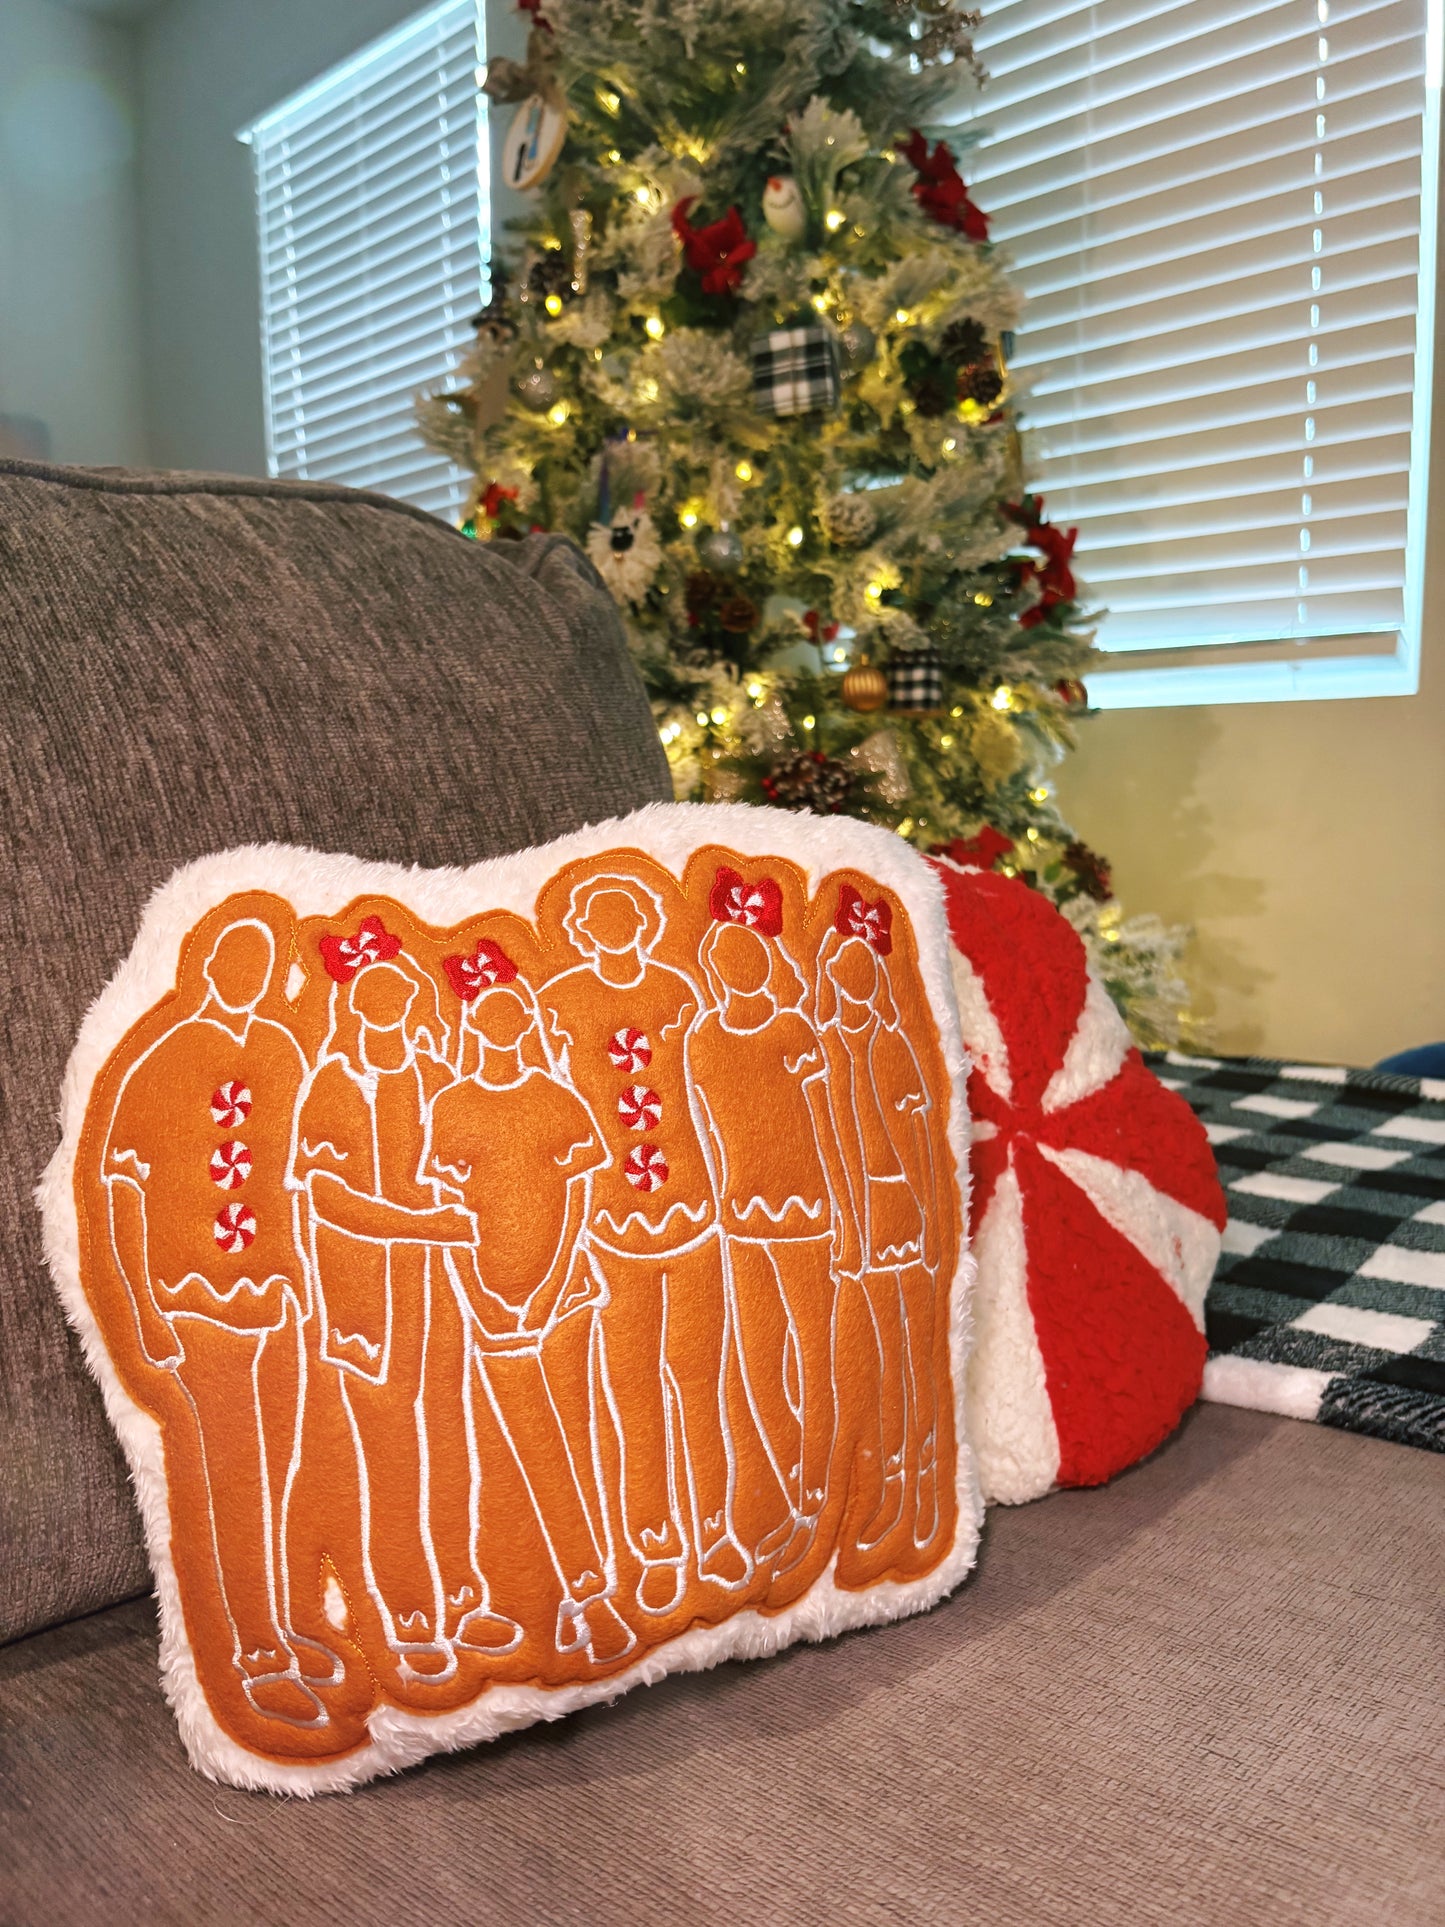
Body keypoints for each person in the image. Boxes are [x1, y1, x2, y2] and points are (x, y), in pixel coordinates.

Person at [102, 917, 335, 1727]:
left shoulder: (280, 1051)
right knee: (231, 1481)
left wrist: (306, 1277)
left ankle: (282, 1624)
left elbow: (298, 1178)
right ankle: (255, 1651)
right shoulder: (162, 1058)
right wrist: (139, 1306)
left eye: (260, 964)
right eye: (233, 962)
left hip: (278, 1298)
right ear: (208, 969)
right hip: (199, 1304)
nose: (247, 976)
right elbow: (122, 1187)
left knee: (284, 1475)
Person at [290, 956, 521, 1691]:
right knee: (391, 1460)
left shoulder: (431, 1078)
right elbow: (329, 1201)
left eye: (400, 997)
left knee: (452, 1446)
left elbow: (463, 1174)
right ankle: (409, 1615)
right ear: (358, 1009)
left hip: (440, 1297)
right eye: (376, 998)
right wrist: (427, 1227)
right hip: (368, 1306)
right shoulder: (331, 1084)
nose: (389, 1010)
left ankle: (462, 1596)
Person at [539, 873, 750, 1615]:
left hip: (691, 1208)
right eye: (601, 921)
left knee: (699, 1377)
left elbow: (699, 1086)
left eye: (627, 915)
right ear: (586, 933)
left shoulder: (675, 991)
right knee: (630, 1387)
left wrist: (721, 1181)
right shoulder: (561, 1002)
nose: (615, 930)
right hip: (613, 1221)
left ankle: (718, 1530)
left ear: (645, 923)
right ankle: (654, 1542)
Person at [426, 974, 635, 1667]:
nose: (501, 1032)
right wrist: (476, 1294)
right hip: (491, 1297)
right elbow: (448, 1214)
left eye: (512, 1020)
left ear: (523, 1027)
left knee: (579, 1434)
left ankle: (588, 1593)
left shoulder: (555, 1098)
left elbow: (577, 1201)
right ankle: (586, 1594)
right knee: (532, 1442)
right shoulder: (451, 1105)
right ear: (477, 1030)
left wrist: (550, 1288)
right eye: (490, 1021)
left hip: (565, 1292)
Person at [690, 916, 842, 1572]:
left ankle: (819, 1479)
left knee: (815, 1346)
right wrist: (716, 1198)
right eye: (729, 962)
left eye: (749, 960)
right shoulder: (703, 1038)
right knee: (757, 1356)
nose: (739, 972)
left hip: (805, 1209)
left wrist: (844, 1211)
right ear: (717, 972)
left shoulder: (792, 1029)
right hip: (741, 1216)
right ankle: (788, 1475)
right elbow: (704, 1130)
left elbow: (825, 1119)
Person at [815, 923, 938, 1551]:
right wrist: (847, 1231)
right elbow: (826, 1142)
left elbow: (920, 1142)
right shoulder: (828, 1047)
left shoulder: (892, 1044)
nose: (856, 985)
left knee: (909, 1356)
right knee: (875, 1364)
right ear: (835, 981)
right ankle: (887, 1492)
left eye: (865, 975)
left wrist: (932, 1216)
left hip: (897, 1211)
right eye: (847, 975)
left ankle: (915, 1493)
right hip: (854, 1221)